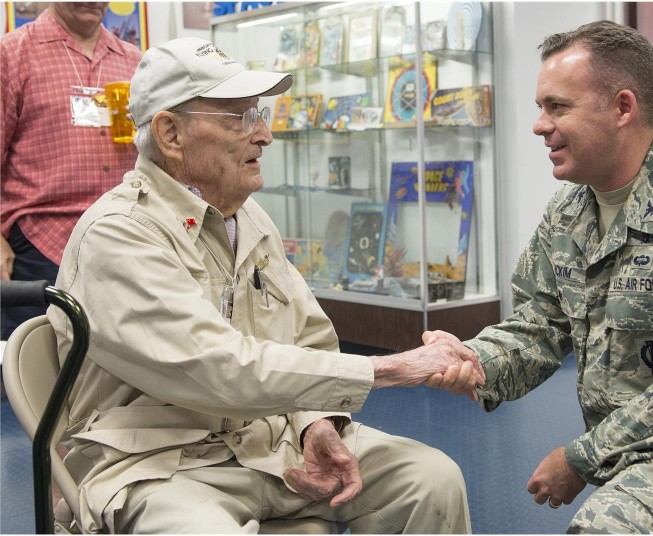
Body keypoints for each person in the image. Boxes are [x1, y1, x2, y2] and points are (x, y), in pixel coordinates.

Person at [47, 37, 481, 534]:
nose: (264, 134)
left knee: (430, 480)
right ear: (170, 134)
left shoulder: (246, 217)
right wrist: (392, 368)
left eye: (259, 113)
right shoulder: (119, 233)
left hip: (264, 440)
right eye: (239, 117)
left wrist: (317, 423)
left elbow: (307, 335)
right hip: (158, 463)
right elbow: (215, 368)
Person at [426, 20, 653, 533]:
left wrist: (580, 458)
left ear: (623, 108)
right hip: (632, 440)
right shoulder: (569, 211)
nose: (539, 124)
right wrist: (474, 359)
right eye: (541, 107)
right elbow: (539, 323)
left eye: (557, 107)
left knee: (607, 528)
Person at [1, 2, 142, 340]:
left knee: (119, 378)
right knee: (30, 377)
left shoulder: (135, 61)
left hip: (127, 241)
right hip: (40, 246)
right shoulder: (12, 55)